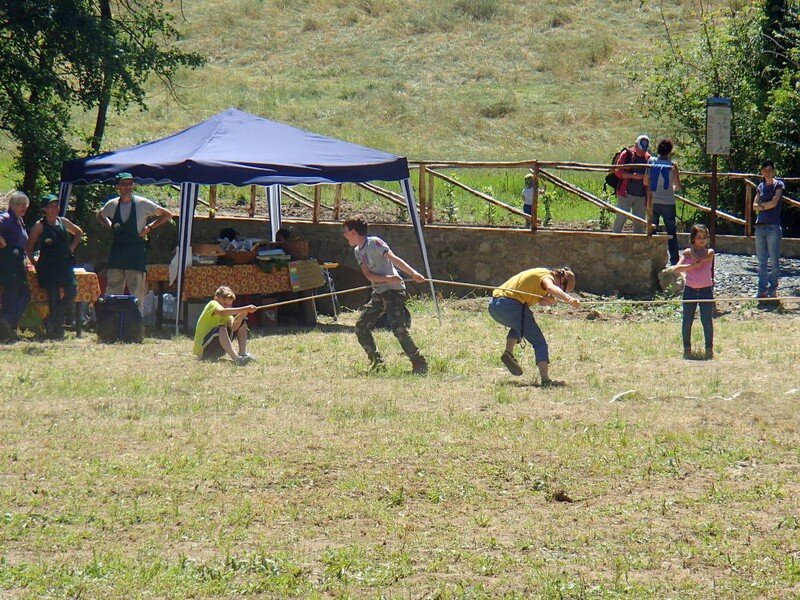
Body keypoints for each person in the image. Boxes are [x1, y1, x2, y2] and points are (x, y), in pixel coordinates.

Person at [342, 215, 428, 374]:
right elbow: (369, 276)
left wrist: (413, 273)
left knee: (398, 329)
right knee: (361, 327)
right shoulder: (357, 251)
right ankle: (377, 363)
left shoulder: (375, 243)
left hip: (394, 291)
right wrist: (387, 278)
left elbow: (394, 259)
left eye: (346, 231)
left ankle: (419, 363)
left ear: (353, 232)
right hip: (379, 292)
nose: (344, 235)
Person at [488, 267, 580, 386]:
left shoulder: (540, 275)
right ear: (562, 280)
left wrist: (547, 301)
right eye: (563, 289)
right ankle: (545, 380)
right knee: (539, 342)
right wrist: (569, 299)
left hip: (494, 306)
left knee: (520, 323)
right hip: (509, 305)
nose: (561, 291)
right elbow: (550, 287)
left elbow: (541, 301)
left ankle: (508, 353)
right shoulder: (546, 277)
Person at [96, 172, 172, 312]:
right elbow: (99, 215)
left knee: (136, 294)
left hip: (135, 255)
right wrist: (109, 225)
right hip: (117, 255)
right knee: (113, 293)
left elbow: (167, 215)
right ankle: (112, 321)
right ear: (117, 187)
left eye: (130, 183)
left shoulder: (142, 204)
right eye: (124, 184)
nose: (127, 187)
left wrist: (149, 228)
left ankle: (136, 322)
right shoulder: (112, 205)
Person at [25, 194, 84, 339]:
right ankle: (56, 331)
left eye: (56, 205)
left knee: (71, 293)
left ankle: (50, 319)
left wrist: (71, 248)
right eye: (51, 206)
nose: (55, 209)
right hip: (48, 267)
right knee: (53, 298)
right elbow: (29, 247)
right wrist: (35, 263)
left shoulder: (63, 221)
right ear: (44, 209)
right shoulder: (40, 226)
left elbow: (78, 233)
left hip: (65, 266)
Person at [670, 224, 714, 359]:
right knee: (687, 320)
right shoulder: (687, 253)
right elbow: (676, 269)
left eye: (704, 237)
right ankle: (687, 349)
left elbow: (701, 260)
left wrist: (690, 255)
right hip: (690, 290)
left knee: (707, 320)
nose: (702, 240)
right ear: (693, 238)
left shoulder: (709, 252)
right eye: (699, 237)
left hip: (706, 290)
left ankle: (709, 349)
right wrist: (691, 265)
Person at [192, 286, 257, 366]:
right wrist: (244, 308)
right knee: (221, 328)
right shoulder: (213, 304)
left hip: (216, 348)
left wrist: (241, 316)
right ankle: (237, 359)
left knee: (242, 322)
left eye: (230, 305)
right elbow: (223, 312)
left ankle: (242, 354)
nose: (227, 307)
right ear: (216, 298)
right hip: (203, 349)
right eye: (225, 304)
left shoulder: (227, 312)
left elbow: (234, 328)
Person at [0, 191, 31, 340]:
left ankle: (6, 325)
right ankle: (5, 328)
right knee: (12, 293)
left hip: (18, 263)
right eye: (19, 204)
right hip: (8, 261)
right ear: (12, 205)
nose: (23, 207)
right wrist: (2, 242)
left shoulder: (20, 221)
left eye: (25, 204)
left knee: (23, 293)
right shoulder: (7, 217)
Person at [753, 159, 784, 302]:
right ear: (762, 172)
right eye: (765, 170)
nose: (767, 173)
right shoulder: (760, 186)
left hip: (773, 226)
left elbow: (774, 203)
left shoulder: (779, 185)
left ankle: (773, 289)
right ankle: (761, 289)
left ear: (773, 171)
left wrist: (761, 206)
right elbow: (754, 205)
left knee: (774, 260)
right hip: (760, 226)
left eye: (770, 170)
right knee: (761, 261)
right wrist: (764, 205)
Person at [647, 139, 682, 265]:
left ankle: (651, 257)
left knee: (652, 230)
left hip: (653, 200)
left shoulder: (651, 162)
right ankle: (674, 260)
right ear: (669, 151)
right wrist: (673, 187)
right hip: (668, 201)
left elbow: (646, 181)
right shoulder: (672, 165)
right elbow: (678, 186)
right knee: (671, 231)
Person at [612, 134, 651, 234]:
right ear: (636, 145)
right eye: (641, 149)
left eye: (644, 150)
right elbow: (618, 171)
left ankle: (638, 242)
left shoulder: (648, 158)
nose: (642, 152)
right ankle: (614, 239)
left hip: (641, 196)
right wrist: (633, 176)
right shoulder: (627, 154)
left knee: (640, 222)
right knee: (621, 218)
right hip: (625, 194)